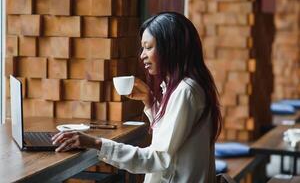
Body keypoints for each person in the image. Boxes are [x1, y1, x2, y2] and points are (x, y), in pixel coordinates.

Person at [52, 12, 222, 183]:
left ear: (170, 47)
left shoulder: (185, 91)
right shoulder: (188, 87)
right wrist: (149, 101)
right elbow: (173, 138)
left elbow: (156, 158)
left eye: (148, 47)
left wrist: (96, 143)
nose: (142, 55)